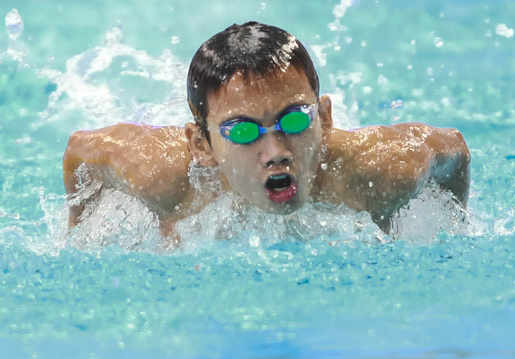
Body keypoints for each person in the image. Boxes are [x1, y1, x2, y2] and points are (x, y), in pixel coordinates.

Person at [63, 22, 470, 237]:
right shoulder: (161, 176)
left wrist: (457, 229)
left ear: (324, 120)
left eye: (295, 121)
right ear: (202, 145)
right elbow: (79, 150)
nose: (275, 150)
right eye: (242, 132)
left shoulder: (380, 172)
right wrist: (77, 235)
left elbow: (454, 148)